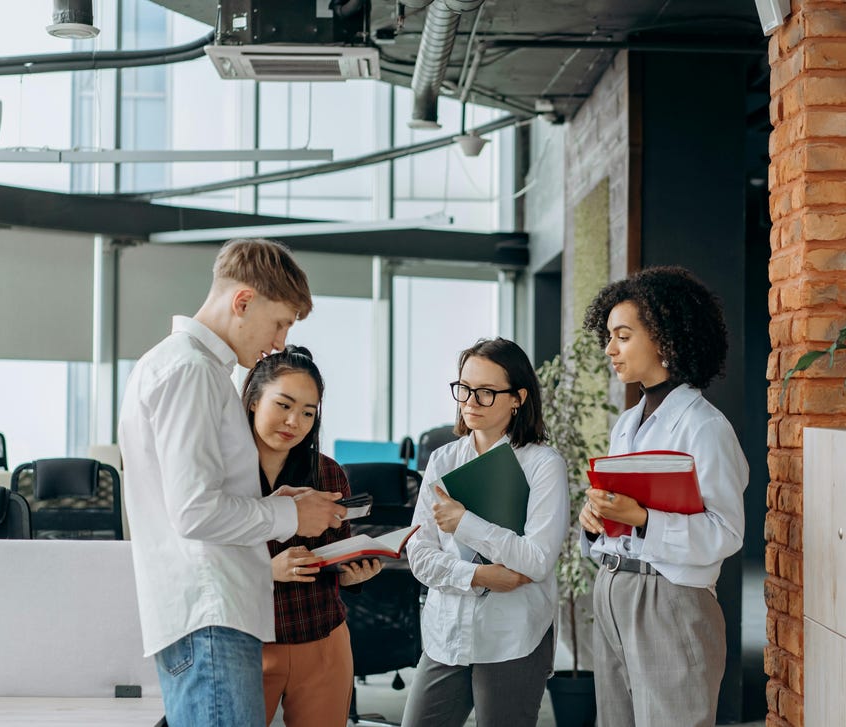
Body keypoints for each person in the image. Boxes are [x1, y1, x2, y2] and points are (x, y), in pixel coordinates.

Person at [118, 238, 347, 727]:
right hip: (211, 620)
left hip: (211, 619)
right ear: (243, 301)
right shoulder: (192, 371)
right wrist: (291, 515)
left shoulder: (185, 367)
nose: (281, 342)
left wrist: (274, 501)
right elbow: (194, 511)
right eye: (280, 322)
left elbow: (194, 497)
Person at [578, 265, 748, 727]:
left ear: (665, 338)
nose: (610, 349)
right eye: (609, 336)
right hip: (614, 588)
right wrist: (595, 518)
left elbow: (727, 533)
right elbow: (619, 512)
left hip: (668, 599)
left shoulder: (705, 427)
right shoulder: (626, 423)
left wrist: (643, 519)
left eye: (623, 335)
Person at [402, 337, 569, 727]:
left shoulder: (543, 465)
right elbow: (419, 553)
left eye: (486, 392)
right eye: (464, 389)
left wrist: (464, 523)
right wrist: (477, 576)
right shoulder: (443, 459)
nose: (470, 401)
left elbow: (538, 560)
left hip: (512, 635)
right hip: (447, 634)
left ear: (518, 397)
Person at [239, 345, 382, 726]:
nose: (294, 422)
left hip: (321, 640)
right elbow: (199, 562)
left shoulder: (327, 473)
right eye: (283, 405)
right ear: (253, 400)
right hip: (247, 645)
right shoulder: (223, 475)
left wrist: (353, 575)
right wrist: (266, 569)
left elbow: (337, 553)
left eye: (307, 413)